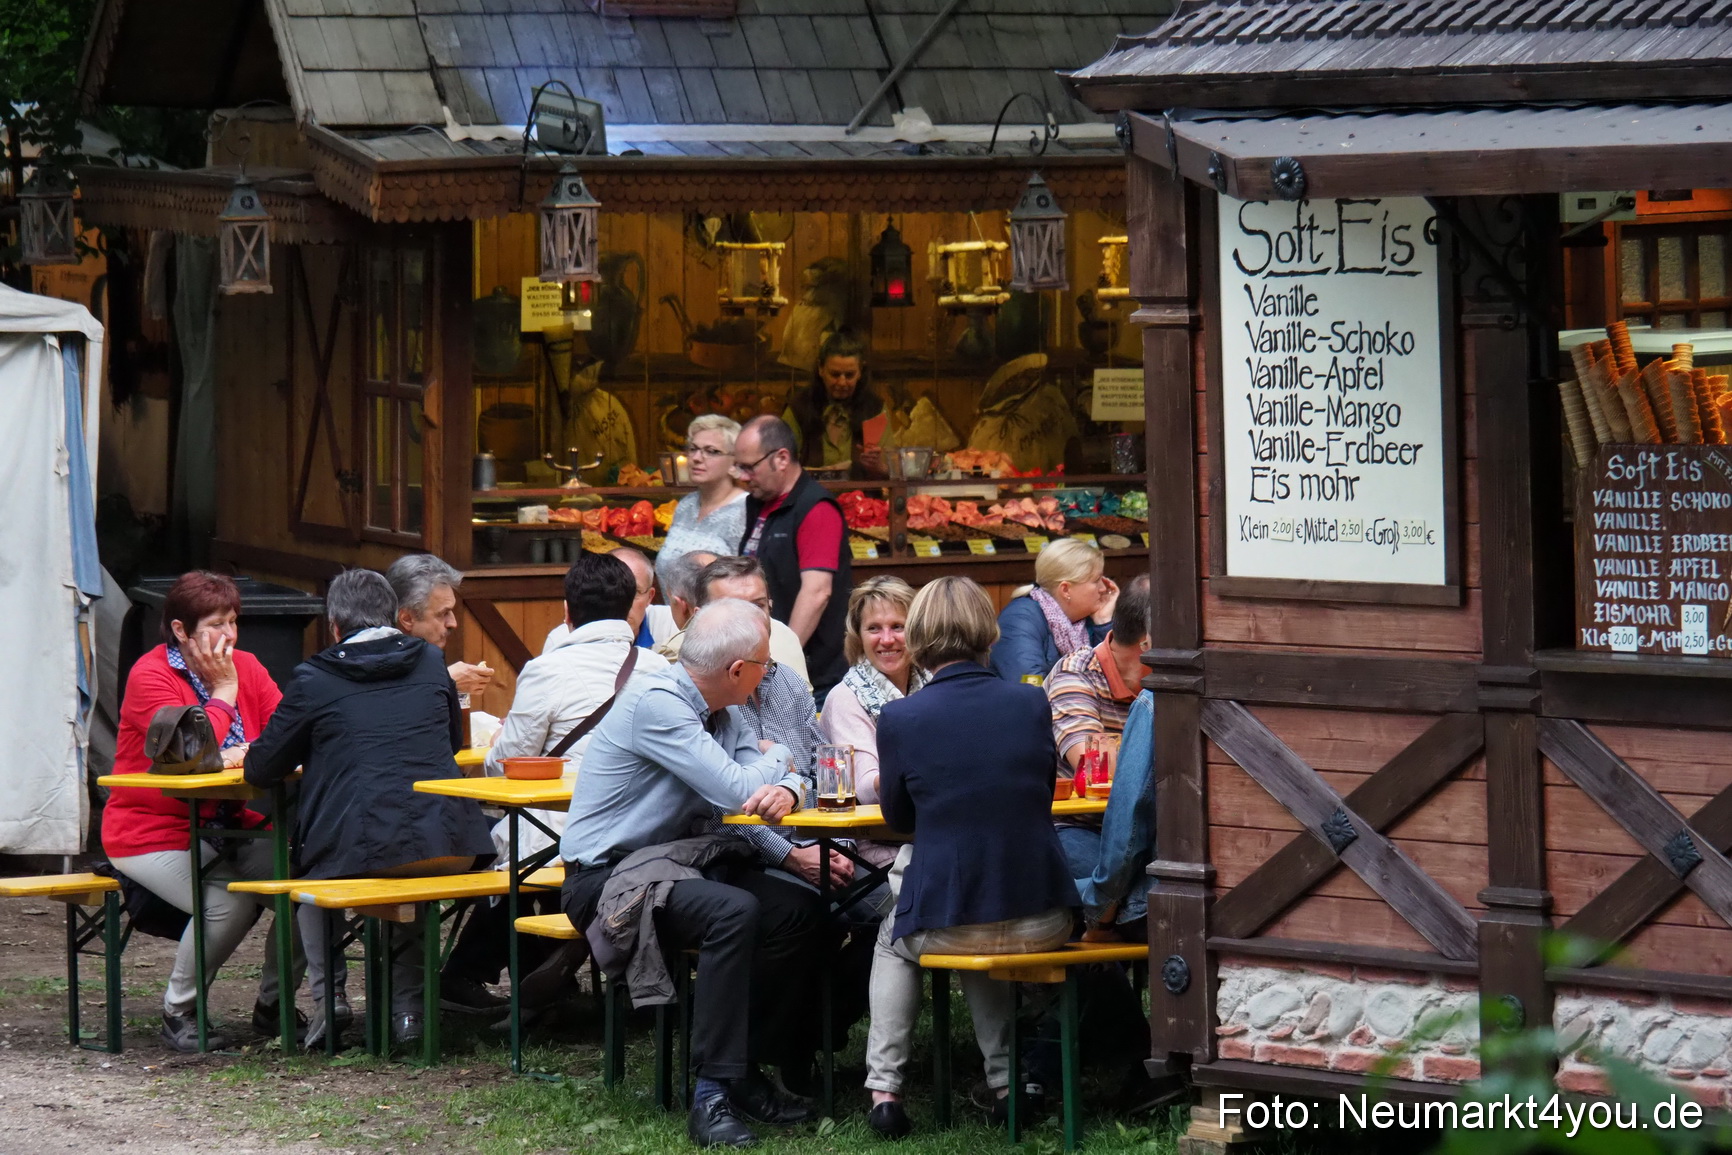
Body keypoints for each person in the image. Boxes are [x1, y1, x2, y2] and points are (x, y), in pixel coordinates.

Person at [559, 599, 822, 1148]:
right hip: (608, 879)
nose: (768, 675)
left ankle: (744, 1068)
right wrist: (781, 760)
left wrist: (786, 783)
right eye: (766, 665)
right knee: (734, 911)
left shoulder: (724, 711)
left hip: (682, 866)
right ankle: (711, 1094)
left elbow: (766, 781)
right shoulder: (657, 702)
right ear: (737, 670)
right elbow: (738, 790)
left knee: (798, 911)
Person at [863, 576, 1078, 1139]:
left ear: (918, 637)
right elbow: (1040, 795)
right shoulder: (1031, 702)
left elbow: (899, 819)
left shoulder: (901, 717)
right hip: (1043, 917)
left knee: (896, 934)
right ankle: (1005, 1083)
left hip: (950, 922)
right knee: (979, 909)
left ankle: (884, 1090)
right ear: (989, 631)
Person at [245, 569, 493, 1048]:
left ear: (335, 626)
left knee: (310, 877)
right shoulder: (431, 662)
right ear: (393, 617)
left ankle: (331, 1001)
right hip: (450, 842)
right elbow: (450, 743)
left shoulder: (314, 677)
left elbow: (261, 768)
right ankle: (408, 1016)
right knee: (412, 864)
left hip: (355, 847)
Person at [442, 551, 676, 1013]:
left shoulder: (547, 670)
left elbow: (506, 765)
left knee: (516, 855)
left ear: (567, 611)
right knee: (530, 855)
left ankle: (482, 972)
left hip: (565, 831)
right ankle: (547, 976)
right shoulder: (660, 671)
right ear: (634, 607)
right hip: (646, 831)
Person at [104, 571, 301, 1052]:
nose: (229, 635)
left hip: (232, 825)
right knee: (227, 902)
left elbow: (287, 732)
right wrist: (224, 692)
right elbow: (190, 755)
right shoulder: (151, 676)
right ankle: (179, 1011)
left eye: (233, 621)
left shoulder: (248, 665)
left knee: (308, 888)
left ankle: (274, 1005)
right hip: (151, 829)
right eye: (215, 624)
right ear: (180, 630)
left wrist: (250, 747)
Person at [733, 415, 851, 699]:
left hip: (809, 678)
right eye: (739, 467)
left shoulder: (816, 508)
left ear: (782, 459)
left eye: (750, 467)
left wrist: (780, 661)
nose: (742, 476)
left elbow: (817, 592)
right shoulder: (758, 503)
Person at [818, 576, 927, 830]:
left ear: (916, 630)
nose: (886, 639)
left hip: (930, 828)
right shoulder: (846, 697)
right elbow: (867, 788)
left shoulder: (932, 682)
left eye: (897, 626)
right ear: (859, 636)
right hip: (874, 839)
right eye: (874, 628)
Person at [660, 555, 810, 689]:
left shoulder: (790, 683)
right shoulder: (679, 654)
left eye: (758, 606)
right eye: (732, 609)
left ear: (770, 605)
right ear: (699, 616)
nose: (749, 619)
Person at [989, 537, 1118, 683]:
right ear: (1065, 589)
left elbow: (1117, 680)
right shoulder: (1020, 619)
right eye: (1096, 581)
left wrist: (1103, 622)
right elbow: (1030, 687)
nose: (1103, 588)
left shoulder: (1087, 619)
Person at [385, 553, 495, 698]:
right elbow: (390, 703)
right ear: (407, 619)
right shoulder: (372, 659)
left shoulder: (427, 656)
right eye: (443, 613)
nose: (453, 623)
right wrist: (446, 681)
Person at [656, 414, 749, 583]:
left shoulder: (746, 511)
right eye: (693, 449)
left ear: (735, 462)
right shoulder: (685, 506)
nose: (696, 458)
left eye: (711, 451)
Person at [783, 331, 885, 476]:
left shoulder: (875, 409)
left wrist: (879, 467)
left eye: (849, 375)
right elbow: (781, 462)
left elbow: (891, 471)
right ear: (821, 369)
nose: (842, 382)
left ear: (860, 372)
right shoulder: (799, 408)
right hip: (810, 491)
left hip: (862, 491)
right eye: (835, 374)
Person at [544, 545, 660, 652]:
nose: (625, 603)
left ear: (650, 597)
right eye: (615, 590)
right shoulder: (560, 640)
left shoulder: (667, 626)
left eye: (635, 592)